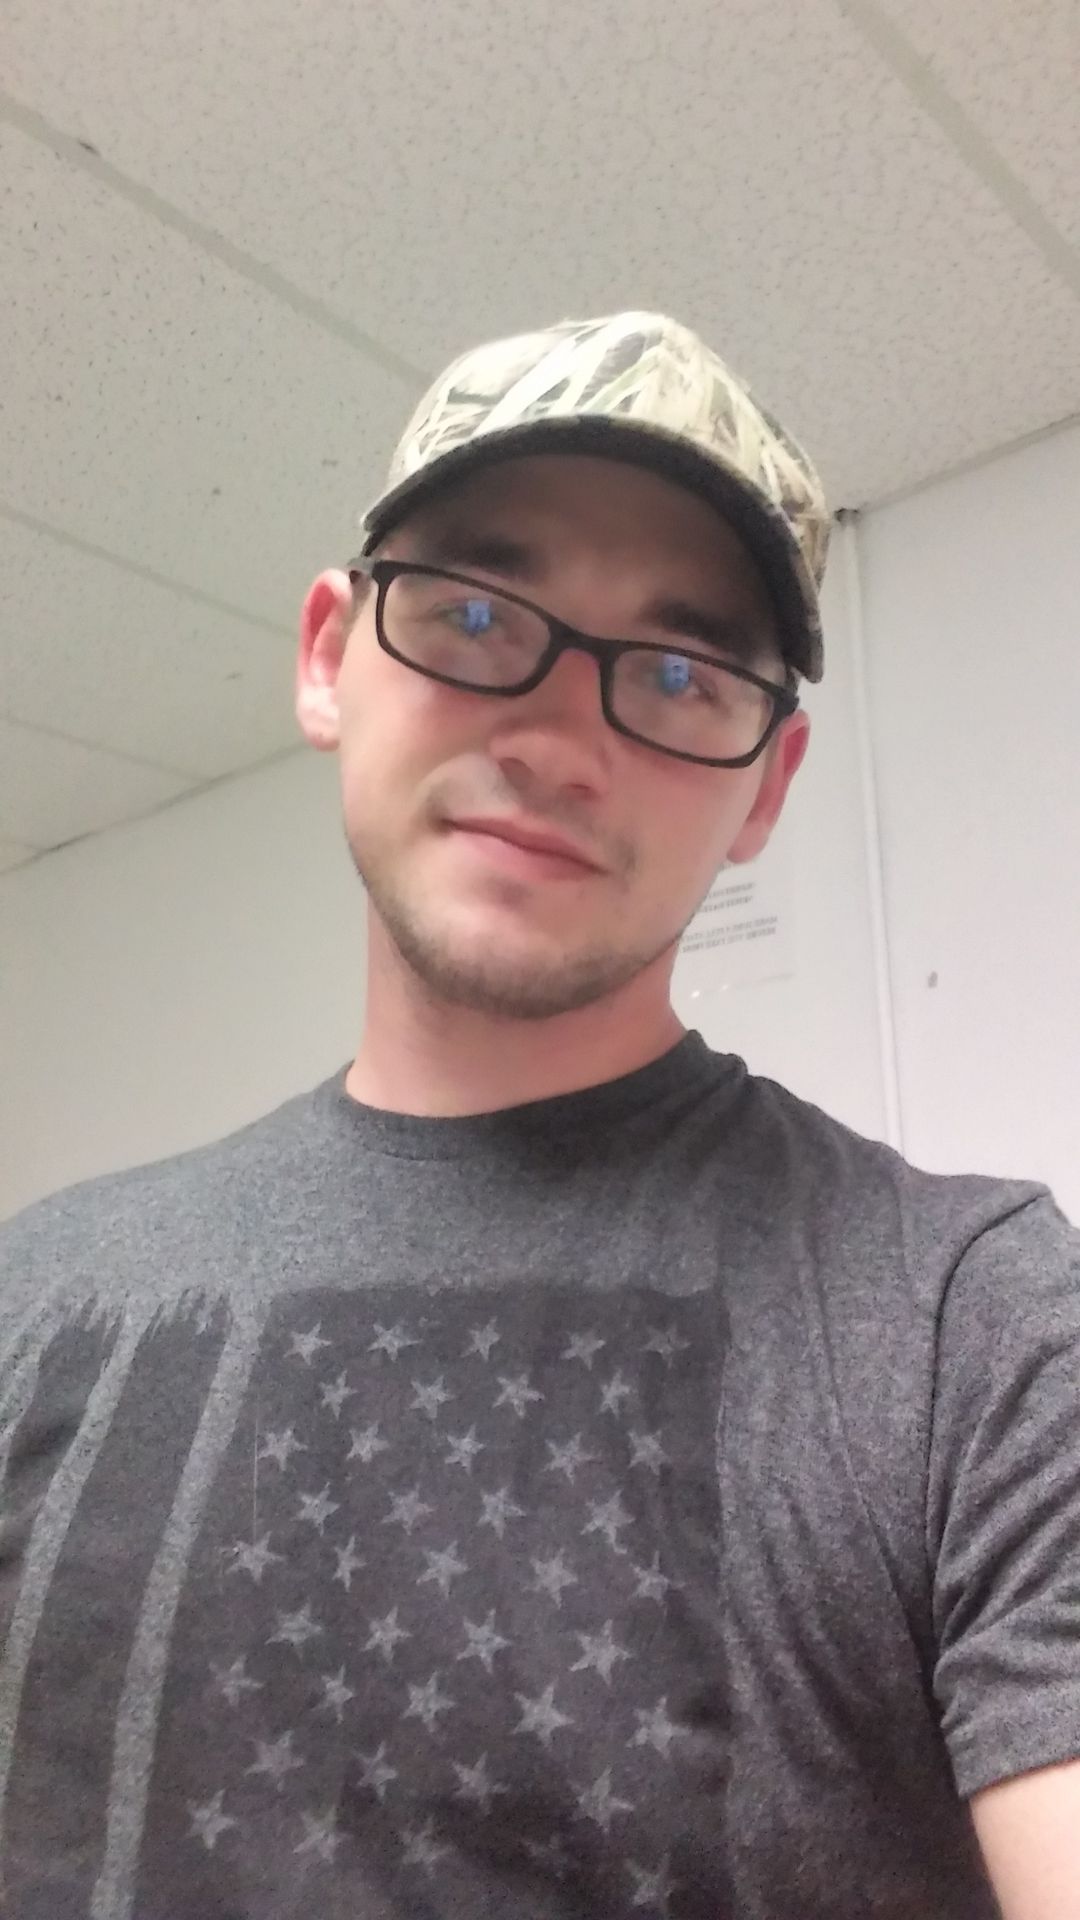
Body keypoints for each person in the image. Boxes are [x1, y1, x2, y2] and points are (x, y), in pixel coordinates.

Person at [1, 311, 1077, 1920]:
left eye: (680, 672)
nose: (564, 742)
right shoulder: (35, 1300)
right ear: (328, 657)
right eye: (475, 614)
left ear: (769, 786)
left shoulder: (975, 1326)